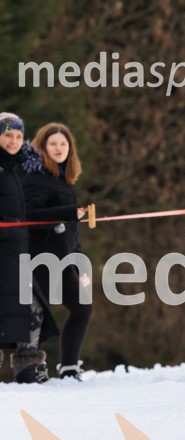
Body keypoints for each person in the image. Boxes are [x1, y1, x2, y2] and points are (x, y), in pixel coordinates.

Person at [21, 123, 92, 380]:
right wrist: (66, 214)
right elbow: (30, 215)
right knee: (50, 312)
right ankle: (32, 368)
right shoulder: (36, 177)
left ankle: (69, 367)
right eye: (53, 144)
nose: (59, 148)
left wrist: (79, 260)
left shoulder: (65, 180)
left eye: (63, 144)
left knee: (81, 307)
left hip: (62, 257)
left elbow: (70, 227)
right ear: (42, 147)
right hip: (40, 257)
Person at [0, 112, 58, 383]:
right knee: (24, 308)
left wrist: (67, 214)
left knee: (31, 309)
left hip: (16, 252)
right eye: (7, 135)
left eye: (18, 136)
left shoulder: (15, 167)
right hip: (4, 252)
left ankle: (28, 371)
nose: (13, 141)